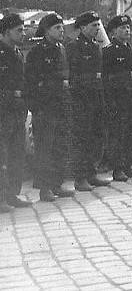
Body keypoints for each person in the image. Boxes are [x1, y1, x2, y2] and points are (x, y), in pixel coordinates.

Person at [25, 13, 75, 202]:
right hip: (45, 107)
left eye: (62, 27)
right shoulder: (37, 52)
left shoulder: (61, 48)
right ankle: (44, 188)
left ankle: (57, 183)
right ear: (46, 31)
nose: (61, 31)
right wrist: (36, 107)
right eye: (57, 28)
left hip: (61, 104)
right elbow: (30, 82)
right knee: (45, 148)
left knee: (60, 146)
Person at [66, 11, 111, 192]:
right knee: (82, 138)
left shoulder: (96, 46)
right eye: (93, 25)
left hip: (96, 97)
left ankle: (91, 172)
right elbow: (71, 75)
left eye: (98, 25)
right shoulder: (73, 47)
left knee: (96, 136)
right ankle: (80, 177)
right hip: (81, 99)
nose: (97, 29)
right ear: (82, 27)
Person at [102, 15, 132, 181]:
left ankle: (127, 164)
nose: (127, 30)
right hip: (117, 99)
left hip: (131, 97)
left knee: (131, 132)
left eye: (128, 28)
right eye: (122, 28)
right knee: (118, 134)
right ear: (113, 31)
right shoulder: (110, 51)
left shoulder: (130, 50)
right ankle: (118, 168)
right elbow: (107, 78)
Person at [0, 14, 33, 211]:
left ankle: (12, 194)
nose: (23, 33)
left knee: (15, 154)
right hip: (3, 111)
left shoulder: (17, 52)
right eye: (18, 30)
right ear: (5, 32)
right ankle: (2, 197)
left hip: (17, 111)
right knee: (2, 155)